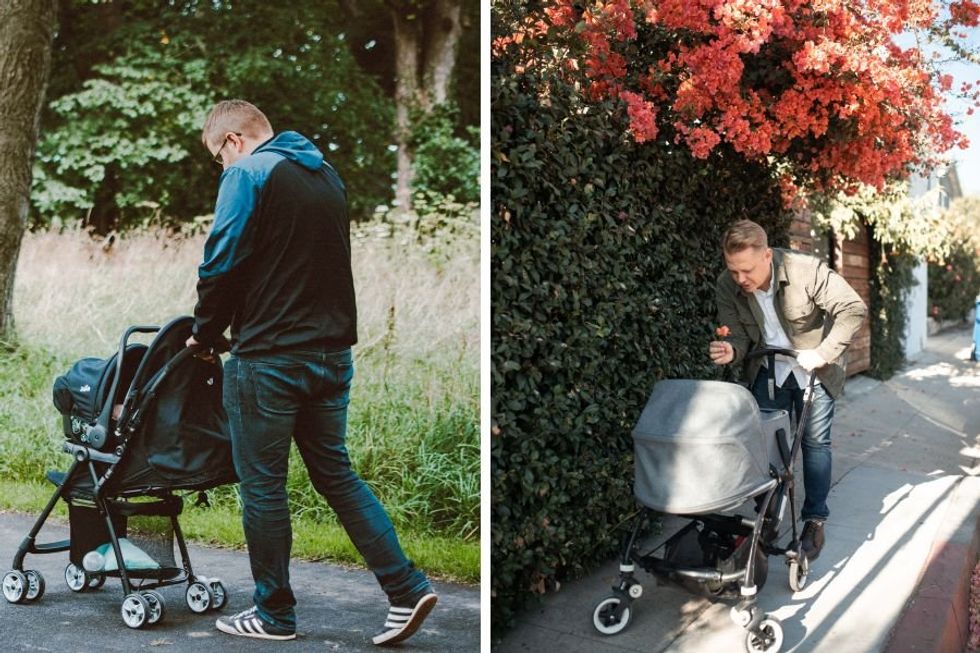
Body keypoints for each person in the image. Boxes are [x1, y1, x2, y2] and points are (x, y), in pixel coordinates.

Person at [186, 100, 437, 644]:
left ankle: (274, 615)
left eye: (216, 158)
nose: (220, 169)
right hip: (331, 356)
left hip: (270, 359)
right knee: (337, 475)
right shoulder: (326, 175)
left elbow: (220, 260)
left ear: (231, 141)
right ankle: (407, 589)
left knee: (264, 490)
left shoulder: (248, 173)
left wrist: (205, 334)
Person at [708, 219, 867, 562]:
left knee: (813, 444)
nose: (740, 279)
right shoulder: (728, 284)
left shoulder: (804, 270)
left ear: (767, 255)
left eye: (747, 270)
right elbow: (737, 335)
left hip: (816, 369)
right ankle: (768, 515)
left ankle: (814, 519)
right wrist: (731, 351)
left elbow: (853, 309)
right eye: (733, 270)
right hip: (769, 370)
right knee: (766, 446)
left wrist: (824, 352)